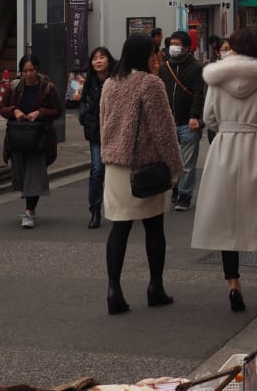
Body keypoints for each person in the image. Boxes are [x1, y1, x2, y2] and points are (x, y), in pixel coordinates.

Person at [191, 26, 257, 313]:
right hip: (256, 146)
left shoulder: (218, 78)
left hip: (225, 146)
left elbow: (209, 117)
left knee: (226, 219)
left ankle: (233, 286)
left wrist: (227, 128)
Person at [100, 33, 183, 314]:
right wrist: (175, 167)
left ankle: (114, 289)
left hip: (115, 166)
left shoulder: (110, 83)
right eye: (153, 53)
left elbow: (103, 123)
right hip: (146, 167)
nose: (156, 57)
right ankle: (155, 287)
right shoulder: (150, 84)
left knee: (119, 228)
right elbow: (164, 131)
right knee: (154, 227)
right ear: (143, 55)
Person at [0, 55, 62, 229]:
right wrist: (15, 111)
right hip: (18, 137)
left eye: (31, 70)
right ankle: (29, 207)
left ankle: (29, 211)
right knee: (20, 174)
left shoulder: (48, 88)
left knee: (34, 175)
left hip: (39, 138)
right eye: (25, 71)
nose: (28, 74)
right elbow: (2, 109)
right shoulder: (15, 87)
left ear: (38, 69)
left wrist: (39, 113)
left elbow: (57, 110)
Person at [160, 29, 206, 211]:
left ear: (187, 47)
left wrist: (195, 116)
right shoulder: (165, 67)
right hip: (168, 122)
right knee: (170, 161)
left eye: (177, 44)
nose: (173, 47)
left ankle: (185, 195)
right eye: (172, 44)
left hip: (188, 122)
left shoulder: (196, 67)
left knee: (187, 163)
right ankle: (175, 188)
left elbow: (198, 94)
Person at [78, 45, 116, 229]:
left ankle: (121, 208)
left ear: (109, 60)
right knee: (97, 171)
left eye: (102, 57)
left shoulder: (118, 79)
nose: (98, 61)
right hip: (96, 133)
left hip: (116, 133)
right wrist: (84, 118)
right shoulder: (89, 81)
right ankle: (95, 210)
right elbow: (82, 102)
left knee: (117, 172)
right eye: (95, 58)